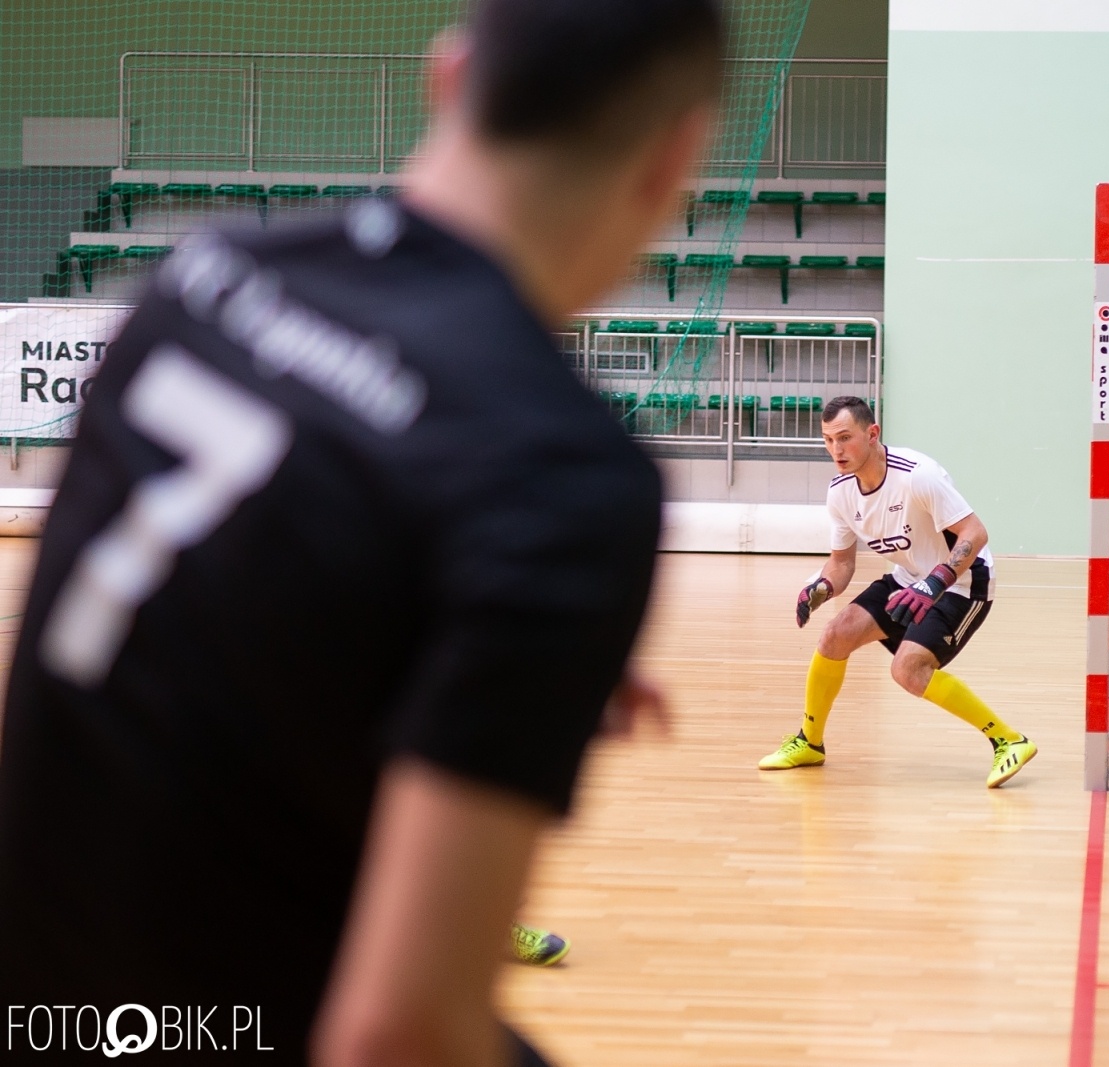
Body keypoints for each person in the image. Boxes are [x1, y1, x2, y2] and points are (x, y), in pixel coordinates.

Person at [0, 1, 721, 1064]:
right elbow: (395, 1036)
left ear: (448, 74)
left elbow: (177, 642)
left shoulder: (203, 279)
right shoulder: (560, 472)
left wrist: (466, 649)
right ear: (674, 161)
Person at [758, 396, 1038, 788]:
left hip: (961, 582)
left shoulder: (917, 475)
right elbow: (841, 563)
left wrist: (935, 581)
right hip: (908, 579)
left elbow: (975, 533)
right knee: (834, 636)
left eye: (845, 438)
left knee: (908, 669)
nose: (836, 450)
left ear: (872, 434)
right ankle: (810, 743)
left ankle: (1009, 740)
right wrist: (820, 587)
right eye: (827, 440)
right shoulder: (840, 492)